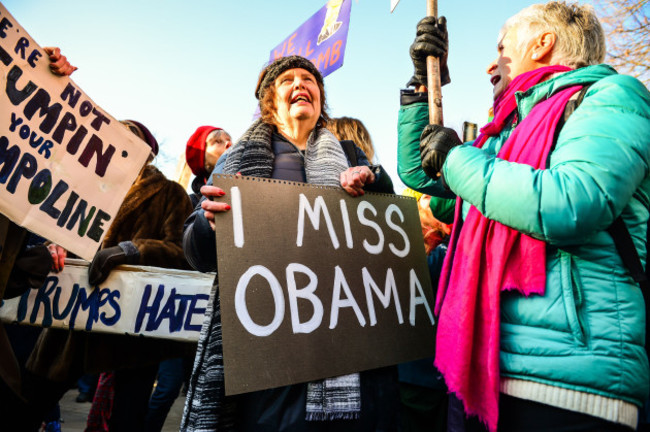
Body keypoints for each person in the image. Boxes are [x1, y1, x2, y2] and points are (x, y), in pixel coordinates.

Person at [397, 2, 650, 431]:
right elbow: (424, 174)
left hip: (573, 386)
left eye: (501, 47)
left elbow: (572, 202)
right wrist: (422, 86)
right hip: (487, 378)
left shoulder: (612, 97)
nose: (491, 65)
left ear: (543, 42)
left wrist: (458, 158)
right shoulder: (508, 132)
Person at [181, 55, 398, 431]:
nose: (301, 84)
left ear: (320, 96)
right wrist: (207, 223)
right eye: (288, 80)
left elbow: (387, 229)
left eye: (309, 79)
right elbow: (196, 254)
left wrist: (374, 181)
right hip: (268, 341)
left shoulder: (348, 155)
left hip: (338, 328)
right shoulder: (234, 161)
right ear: (269, 100)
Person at [23, 119, 195, 432]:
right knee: (29, 400)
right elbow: (55, 233)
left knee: (124, 418)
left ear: (148, 153)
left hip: (131, 330)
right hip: (71, 317)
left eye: (128, 138)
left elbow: (182, 253)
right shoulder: (80, 189)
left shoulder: (169, 193)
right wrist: (54, 247)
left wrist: (133, 250)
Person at [186, 126, 233, 207]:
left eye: (229, 140)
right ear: (202, 158)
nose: (229, 144)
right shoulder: (189, 204)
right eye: (217, 141)